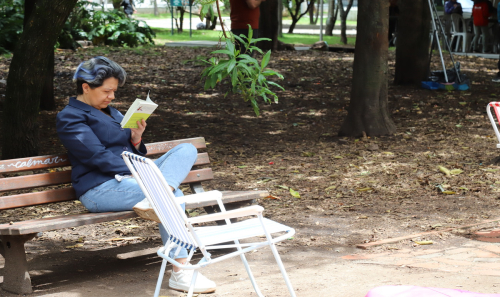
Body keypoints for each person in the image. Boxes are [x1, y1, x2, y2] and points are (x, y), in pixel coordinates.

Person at [56, 56, 216, 294]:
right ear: (86, 87)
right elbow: (97, 157)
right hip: (100, 188)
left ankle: (161, 192)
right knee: (171, 196)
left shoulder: (113, 112)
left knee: (186, 149)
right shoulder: (71, 117)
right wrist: (142, 174)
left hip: (132, 178)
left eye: (114, 91)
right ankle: (181, 272)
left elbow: (127, 150)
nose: (112, 97)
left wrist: (136, 138)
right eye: (107, 91)